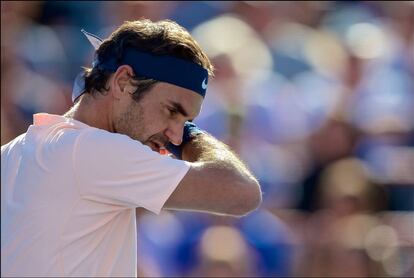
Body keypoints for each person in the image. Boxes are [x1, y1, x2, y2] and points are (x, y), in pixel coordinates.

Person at [1, 19, 262, 276]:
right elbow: (241, 193)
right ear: (123, 81)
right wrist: (191, 135)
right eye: (172, 111)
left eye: (186, 122)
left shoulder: (12, 152)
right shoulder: (94, 150)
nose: (175, 136)